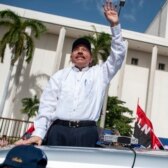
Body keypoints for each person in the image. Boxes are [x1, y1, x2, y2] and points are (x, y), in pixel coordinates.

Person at [16, 0, 126, 147]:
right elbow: (47, 107)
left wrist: (115, 26)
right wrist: (39, 133)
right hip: (57, 131)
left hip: (87, 133)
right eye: (76, 49)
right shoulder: (59, 76)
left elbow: (117, 56)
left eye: (85, 49)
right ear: (71, 56)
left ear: (91, 58)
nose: (80, 51)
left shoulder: (100, 73)